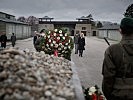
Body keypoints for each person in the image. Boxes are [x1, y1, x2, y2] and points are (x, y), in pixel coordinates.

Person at [102, 17, 133, 100]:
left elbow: (108, 78)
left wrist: (109, 96)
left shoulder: (112, 50)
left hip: (118, 95)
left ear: (120, 30)